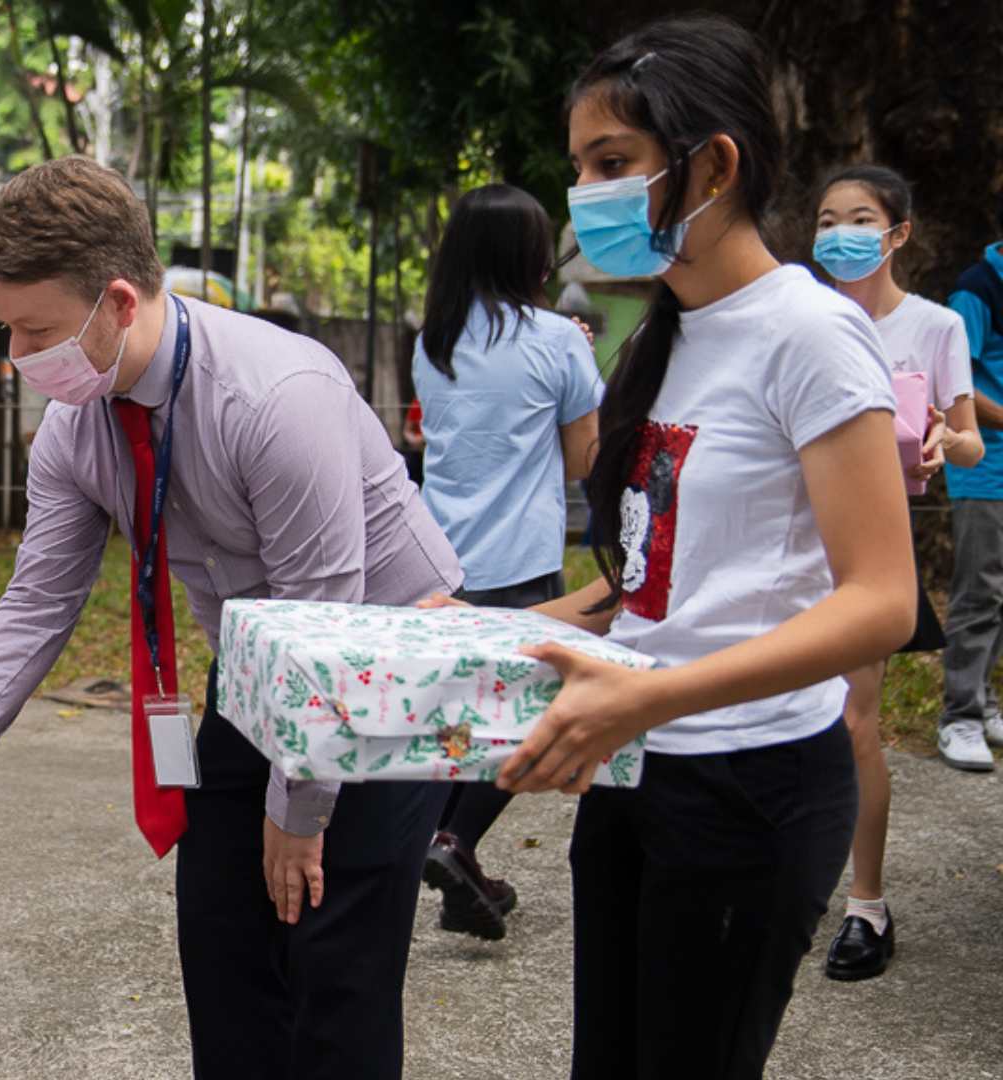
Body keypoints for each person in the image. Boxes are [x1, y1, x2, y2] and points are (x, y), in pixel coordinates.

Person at [0, 157, 462, 1079]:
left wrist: (297, 811)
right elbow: (36, 599)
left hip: (381, 674)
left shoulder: (276, 400)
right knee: (222, 945)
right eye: (4, 329)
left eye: (36, 330)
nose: (18, 358)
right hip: (257, 672)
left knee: (335, 970)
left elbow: (321, 625)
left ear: (119, 302)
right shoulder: (76, 425)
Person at [453, 17, 914, 1079]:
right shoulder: (663, 338)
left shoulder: (808, 333)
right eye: (578, 169)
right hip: (639, 774)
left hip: (751, 789)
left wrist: (652, 695)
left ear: (714, 164)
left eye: (613, 164)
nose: (587, 195)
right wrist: (489, 627)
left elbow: (883, 600)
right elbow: (648, 585)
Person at [411, 182, 604, 941]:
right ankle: (455, 842)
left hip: (437, 554)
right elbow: (584, 456)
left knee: (454, 713)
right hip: (521, 560)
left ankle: (453, 856)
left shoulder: (432, 339)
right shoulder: (557, 340)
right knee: (525, 716)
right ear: (531, 255)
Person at [810, 164, 984, 980]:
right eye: (825, 220)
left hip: (871, 547)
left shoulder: (937, 326)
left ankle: (865, 907)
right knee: (774, 721)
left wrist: (946, 445)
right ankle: (781, 880)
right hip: (786, 542)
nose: (839, 234)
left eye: (859, 218)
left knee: (855, 726)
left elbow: (970, 437)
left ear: (899, 232)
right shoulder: (800, 320)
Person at [938, 196, 1003, 771]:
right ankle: (958, 716)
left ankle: (986, 703)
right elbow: (955, 382)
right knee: (979, 592)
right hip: (984, 465)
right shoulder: (977, 288)